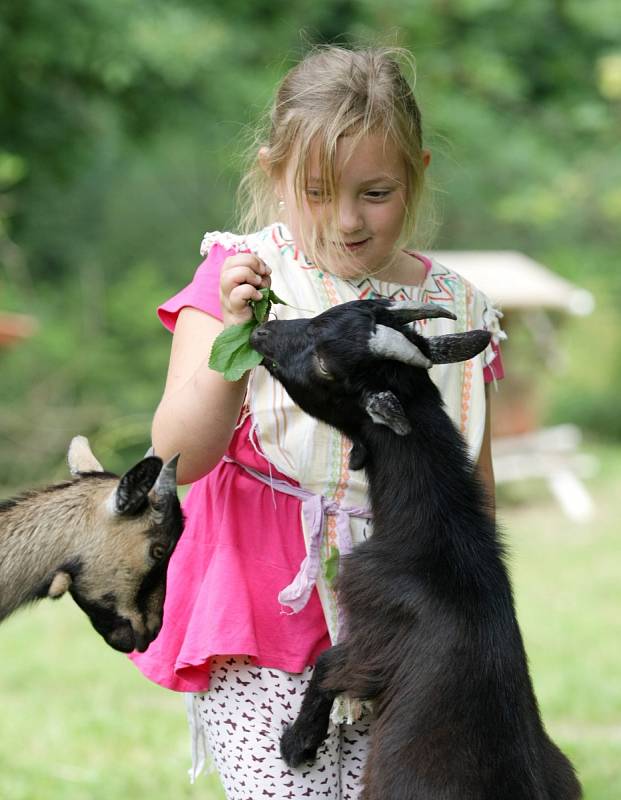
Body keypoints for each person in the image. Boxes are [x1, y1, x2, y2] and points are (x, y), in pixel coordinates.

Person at [130, 45, 505, 799]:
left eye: (375, 192)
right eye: (316, 190)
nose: (346, 219)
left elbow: (473, 491)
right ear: (273, 175)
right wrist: (234, 341)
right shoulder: (240, 278)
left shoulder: (458, 310)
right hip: (264, 607)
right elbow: (178, 456)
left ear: (417, 174)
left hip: (404, 623)